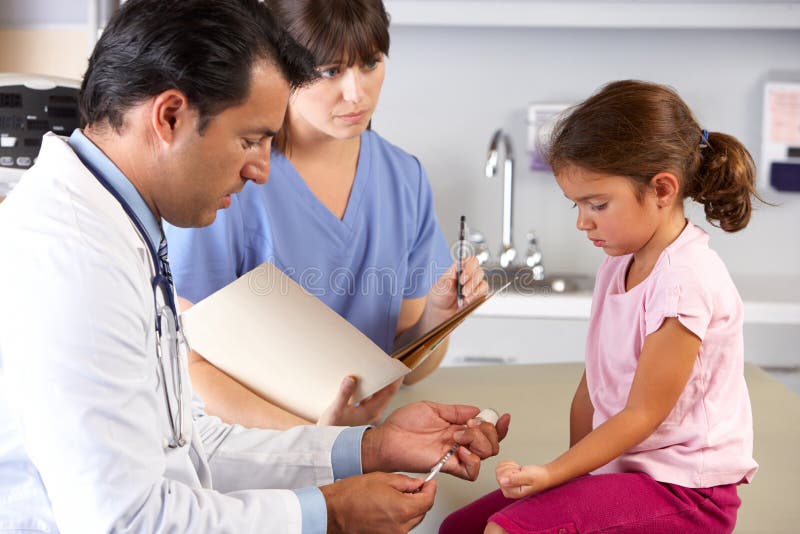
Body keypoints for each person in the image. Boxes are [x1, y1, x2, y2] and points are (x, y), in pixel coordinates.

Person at [0, 1, 510, 532]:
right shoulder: (74, 262)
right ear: (170, 116)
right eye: (250, 140)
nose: (262, 171)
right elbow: (130, 520)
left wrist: (371, 446)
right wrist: (330, 512)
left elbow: (191, 445)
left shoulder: (118, 228)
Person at [440, 80, 761, 534]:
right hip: (628, 476)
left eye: (597, 204)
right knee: (459, 528)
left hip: (687, 494)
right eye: (576, 204)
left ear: (662, 190)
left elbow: (642, 413)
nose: (581, 221)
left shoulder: (684, 282)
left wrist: (554, 474)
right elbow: (592, 389)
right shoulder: (619, 264)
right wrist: (572, 481)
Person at [164, 0, 487, 429]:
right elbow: (192, 368)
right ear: (281, 66)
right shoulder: (231, 180)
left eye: (371, 63)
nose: (357, 93)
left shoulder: (402, 177)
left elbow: (401, 369)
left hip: (362, 454)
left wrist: (437, 319)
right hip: (256, 456)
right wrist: (324, 444)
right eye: (330, 71)